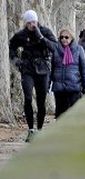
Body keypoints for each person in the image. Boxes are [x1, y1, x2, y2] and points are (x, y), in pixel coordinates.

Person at [9, 10, 57, 142]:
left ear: (37, 21)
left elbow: (54, 47)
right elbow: (11, 47)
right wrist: (16, 61)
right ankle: (30, 129)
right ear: (26, 23)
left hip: (43, 69)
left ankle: (40, 129)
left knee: (41, 101)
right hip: (27, 69)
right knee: (28, 97)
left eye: (34, 22)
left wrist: (41, 37)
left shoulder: (45, 31)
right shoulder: (21, 35)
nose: (32, 25)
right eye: (29, 23)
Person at [48, 28, 85, 118]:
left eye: (66, 37)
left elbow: (84, 68)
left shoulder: (79, 49)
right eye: (62, 37)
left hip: (74, 86)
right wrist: (48, 84)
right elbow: (52, 68)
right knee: (60, 114)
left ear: (71, 38)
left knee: (73, 114)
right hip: (59, 88)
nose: (64, 39)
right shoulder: (55, 50)